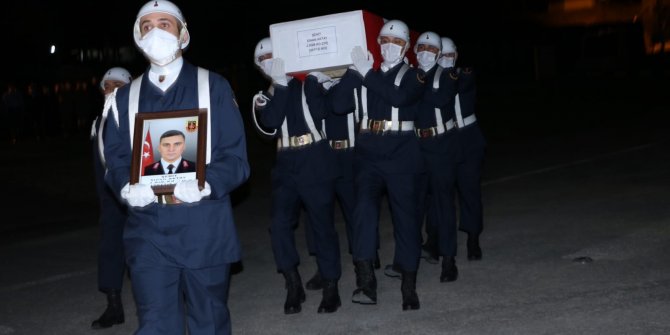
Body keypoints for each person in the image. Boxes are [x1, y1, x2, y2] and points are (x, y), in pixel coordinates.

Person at [102, 1, 249, 334]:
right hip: (148, 230)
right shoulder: (124, 99)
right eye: (147, 25)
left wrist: (206, 182)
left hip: (204, 227)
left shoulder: (214, 87)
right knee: (155, 324)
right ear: (137, 38)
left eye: (164, 24)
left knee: (208, 322)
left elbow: (236, 159)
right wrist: (126, 186)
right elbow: (115, 159)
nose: (155, 31)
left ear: (183, 34)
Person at [329, 19, 425, 310]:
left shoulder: (415, 76)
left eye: (396, 42)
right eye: (384, 41)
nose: (389, 47)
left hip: (401, 152)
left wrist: (366, 73)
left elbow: (398, 97)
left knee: (405, 219)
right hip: (368, 153)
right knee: (362, 214)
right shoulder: (364, 71)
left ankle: (409, 285)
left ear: (406, 47)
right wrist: (350, 73)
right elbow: (338, 106)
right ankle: (366, 282)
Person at [251, 37, 342, 314]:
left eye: (272, 56)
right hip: (286, 162)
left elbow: (324, 110)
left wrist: (320, 80)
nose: (269, 62)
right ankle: (293, 284)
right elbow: (270, 123)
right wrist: (278, 85)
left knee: (322, 225)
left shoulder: (306, 83)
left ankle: (331, 286)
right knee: (278, 225)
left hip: (314, 156)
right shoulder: (263, 97)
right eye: (262, 59)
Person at [423, 37, 485, 269]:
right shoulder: (433, 79)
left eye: (450, 56)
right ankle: (434, 239)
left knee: (469, 191)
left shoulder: (463, 74)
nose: (447, 60)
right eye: (442, 56)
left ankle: (473, 238)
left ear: (456, 56)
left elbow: (461, 83)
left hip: (467, 138)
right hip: (445, 140)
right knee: (437, 193)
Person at [90, 66, 132, 329]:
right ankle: (114, 306)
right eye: (107, 86)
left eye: (117, 86)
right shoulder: (98, 123)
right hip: (110, 198)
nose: (111, 90)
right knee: (109, 249)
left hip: (135, 193)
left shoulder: (134, 117)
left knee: (146, 249)